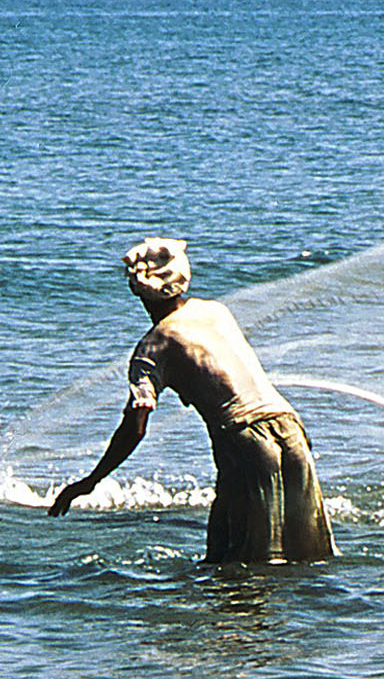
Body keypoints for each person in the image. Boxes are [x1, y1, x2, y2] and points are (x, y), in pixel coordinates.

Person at [47, 237, 337, 564]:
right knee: (308, 558)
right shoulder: (216, 311)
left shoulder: (152, 349)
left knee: (237, 564)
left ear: (136, 288)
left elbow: (134, 429)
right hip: (291, 429)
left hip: (245, 441)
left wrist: (90, 481)